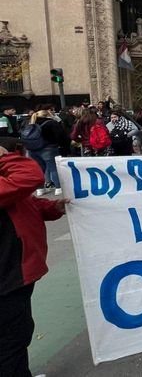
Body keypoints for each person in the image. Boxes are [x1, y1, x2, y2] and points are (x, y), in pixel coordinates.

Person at [0, 140, 68, 376]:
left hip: (15, 276)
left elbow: (23, 202)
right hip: (7, 279)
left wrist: (53, 208)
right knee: (11, 340)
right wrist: (3, 156)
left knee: (18, 333)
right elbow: (31, 175)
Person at [26, 109, 69, 196]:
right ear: (47, 115)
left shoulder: (30, 123)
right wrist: (64, 145)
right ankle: (58, 188)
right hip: (48, 148)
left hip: (32, 149)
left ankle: (40, 189)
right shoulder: (51, 123)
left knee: (39, 169)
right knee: (53, 168)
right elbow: (61, 135)